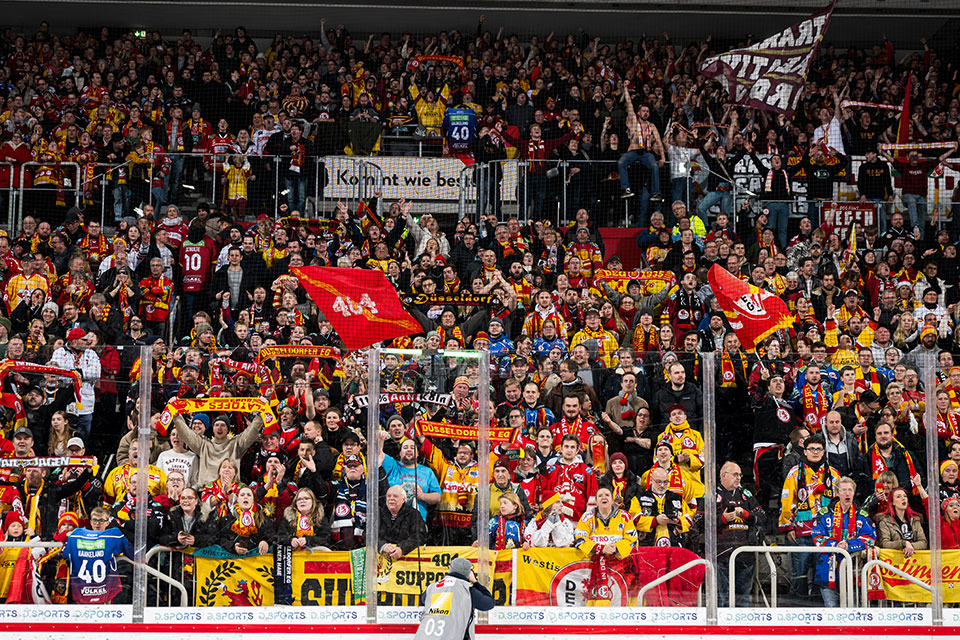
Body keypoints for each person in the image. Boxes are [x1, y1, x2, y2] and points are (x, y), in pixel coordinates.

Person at [811, 476, 875, 607]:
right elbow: (817, 536)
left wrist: (848, 545)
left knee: (852, 608)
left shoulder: (861, 515)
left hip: (853, 570)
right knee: (831, 608)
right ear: (837, 493)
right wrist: (836, 546)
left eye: (850, 490)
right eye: (844, 490)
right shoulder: (824, 514)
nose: (847, 493)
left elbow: (870, 538)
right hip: (827, 568)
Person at [716, 461, 765, 607]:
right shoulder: (713, 494)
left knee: (742, 599)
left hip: (745, 555)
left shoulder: (746, 495)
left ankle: (741, 630)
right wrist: (722, 519)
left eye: (740, 475)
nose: (738, 478)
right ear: (724, 476)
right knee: (723, 599)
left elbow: (762, 517)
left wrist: (746, 515)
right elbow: (699, 521)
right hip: (721, 555)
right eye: (735, 474)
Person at [413, 556, 495, 640]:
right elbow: (489, 603)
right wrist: (475, 582)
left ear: (450, 569)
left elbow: (423, 600)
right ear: (469, 573)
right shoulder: (467, 589)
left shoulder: (432, 587)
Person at [63, 507, 132, 604]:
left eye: (101, 521)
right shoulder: (114, 534)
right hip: (87, 587)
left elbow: (65, 553)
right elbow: (132, 554)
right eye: (95, 520)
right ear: (90, 521)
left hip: (89, 589)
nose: (97, 523)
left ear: (107, 522)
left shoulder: (76, 535)